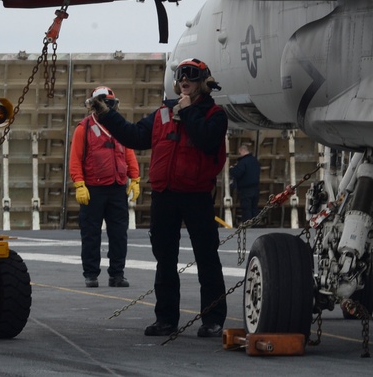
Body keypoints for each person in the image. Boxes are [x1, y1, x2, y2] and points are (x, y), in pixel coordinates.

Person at [92, 58, 228, 338]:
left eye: (191, 76)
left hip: (197, 195)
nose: (184, 80)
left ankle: (212, 319)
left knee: (207, 259)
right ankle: (166, 319)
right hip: (165, 196)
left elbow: (205, 140)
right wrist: (106, 115)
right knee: (165, 260)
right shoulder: (162, 114)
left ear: (203, 82)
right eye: (181, 76)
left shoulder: (215, 115)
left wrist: (187, 112)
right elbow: (135, 136)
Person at [69, 86, 141, 288]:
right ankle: (91, 273)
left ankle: (117, 274)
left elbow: (128, 153)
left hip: (117, 187)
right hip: (93, 189)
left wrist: (134, 178)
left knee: (119, 234)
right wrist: (79, 184)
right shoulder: (83, 128)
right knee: (91, 234)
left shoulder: (119, 127)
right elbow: (75, 158)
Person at [229, 143, 261, 223]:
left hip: (246, 189)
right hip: (256, 188)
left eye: (240, 151)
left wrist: (232, 169)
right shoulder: (255, 160)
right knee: (254, 208)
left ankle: (248, 226)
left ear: (243, 150)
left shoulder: (243, 162)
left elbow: (238, 173)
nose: (239, 153)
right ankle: (255, 226)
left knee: (246, 209)